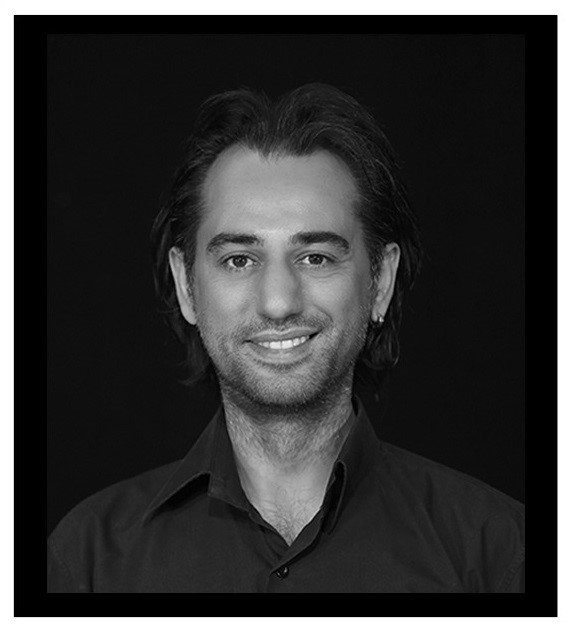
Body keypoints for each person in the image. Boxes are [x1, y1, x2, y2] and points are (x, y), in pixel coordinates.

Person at [47, 83, 524, 593]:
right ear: (186, 286)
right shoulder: (88, 562)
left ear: (380, 282)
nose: (278, 302)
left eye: (316, 257)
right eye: (239, 260)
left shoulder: (497, 553)